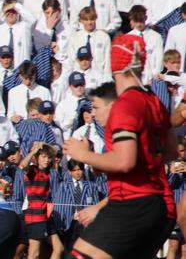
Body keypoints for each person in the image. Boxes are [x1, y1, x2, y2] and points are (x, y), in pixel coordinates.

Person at [64, 34, 177, 259]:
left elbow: (125, 161)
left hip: (132, 203)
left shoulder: (124, 105)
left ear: (114, 61)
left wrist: (84, 155)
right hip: (159, 205)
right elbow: (171, 152)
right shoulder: (154, 101)